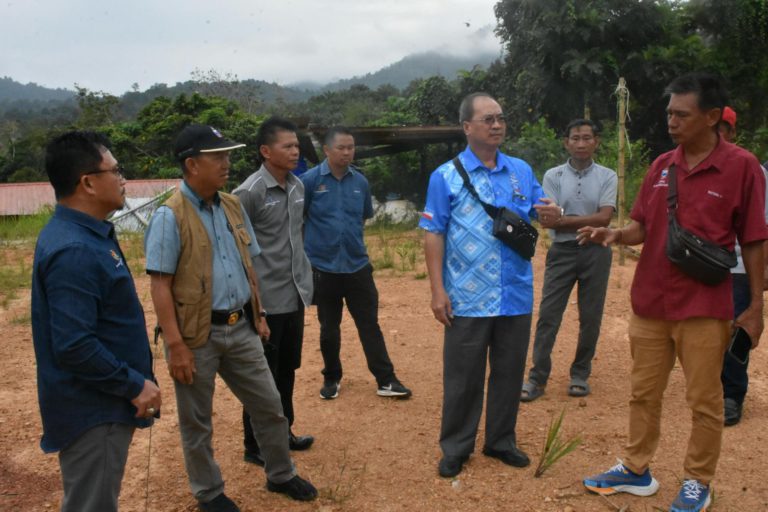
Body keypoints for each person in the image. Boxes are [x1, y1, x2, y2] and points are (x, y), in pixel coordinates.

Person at [579, 73, 766, 512]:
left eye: (681, 115)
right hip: (650, 304)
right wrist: (614, 235)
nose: (671, 122)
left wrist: (756, 306)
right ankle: (636, 469)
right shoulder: (662, 165)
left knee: (704, 400)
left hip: (704, 307)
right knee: (643, 393)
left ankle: (698, 480)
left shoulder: (742, 166)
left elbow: (756, 238)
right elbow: (642, 226)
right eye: (669, 114)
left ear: (712, 117)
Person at [144, 124, 317, 511]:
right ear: (191, 164)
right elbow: (160, 286)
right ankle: (208, 493)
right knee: (197, 422)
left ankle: (280, 473)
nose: (227, 163)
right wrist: (175, 346)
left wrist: (260, 313)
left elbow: (247, 264)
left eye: (227, 155)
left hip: (241, 328)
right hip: (196, 336)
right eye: (217, 157)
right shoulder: (169, 216)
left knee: (270, 406)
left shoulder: (231, 205)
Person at [420, 92, 563, 478]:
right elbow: (433, 232)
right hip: (467, 296)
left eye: (500, 118)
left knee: (508, 371)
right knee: (462, 376)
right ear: (467, 127)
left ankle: (501, 441)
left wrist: (552, 212)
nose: (497, 124)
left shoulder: (519, 169)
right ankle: (455, 447)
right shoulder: (445, 175)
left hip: (514, 292)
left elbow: (541, 208)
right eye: (487, 119)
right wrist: (437, 290)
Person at [31, 131, 161, 512]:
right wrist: (133, 383)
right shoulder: (75, 249)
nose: (123, 179)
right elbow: (74, 344)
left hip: (100, 402)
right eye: (116, 170)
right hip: (94, 409)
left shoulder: (85, 233)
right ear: (88, 182)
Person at [301, 126, 412, 400]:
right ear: (326, 150)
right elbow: (299, 220)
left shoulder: (360, 182)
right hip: (323, 268)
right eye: (341, 148)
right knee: (329, 328)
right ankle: (332, 378)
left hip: (357, 266)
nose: (348, 152)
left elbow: (362, 218)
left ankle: (386, 379)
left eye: (351, 147)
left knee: (369, 325)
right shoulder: (310, 181)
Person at [233, 117, 314, 466]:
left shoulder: (298, 187)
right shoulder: (248, 193)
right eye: (287, 146)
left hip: (294, 294)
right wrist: (254, 304)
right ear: (266, 151)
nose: (295, 151)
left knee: (286, 371)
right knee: (261, 378)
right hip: (265, 303)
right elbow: (237, 251)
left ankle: (284, 433)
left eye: (296, 145)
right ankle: (255, 445)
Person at [521, 119, 617, 401]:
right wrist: (573, 221)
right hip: (561, 252)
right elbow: (550, 220)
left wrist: (566, 220)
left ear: (596, 141)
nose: (581, 143)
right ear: (566, 142)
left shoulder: (607, 176)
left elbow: (605, 218)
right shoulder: (553, 175)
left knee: (591, 316)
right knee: (549, 315)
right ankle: (537, 377)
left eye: (587, 138)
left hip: (596, 252)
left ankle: (580, 373)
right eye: (575, 138)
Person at [716, 106, 768, 426]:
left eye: (721, 128)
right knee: (706, 329)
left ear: (732, 132)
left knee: (738, 329)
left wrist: (762, 271)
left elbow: (763, 225)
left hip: (737, 264)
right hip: (702, 267)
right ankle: (711, 387)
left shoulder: (752, 169)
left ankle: (732, 395)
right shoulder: (688, 166)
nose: (715, 135)